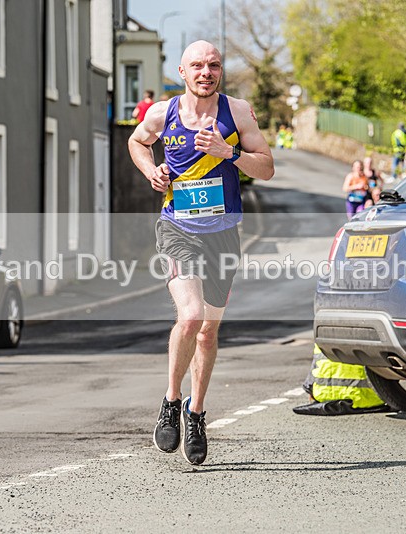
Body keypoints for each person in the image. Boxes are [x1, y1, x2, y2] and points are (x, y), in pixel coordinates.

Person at [127, 40, 274, 465]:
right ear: (182, 72)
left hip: (224, 234)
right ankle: (171, 400)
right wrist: (150, 169)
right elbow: (138, 142)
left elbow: (266, 166)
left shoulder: (238, 112)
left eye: (213, 65)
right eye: (197, 66)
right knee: (189, 317)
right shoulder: (163, 113)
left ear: (220, 72)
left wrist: (228, 152)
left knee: (208, 331)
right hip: (179, 229)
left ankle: (196, 412)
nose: (206, 72)